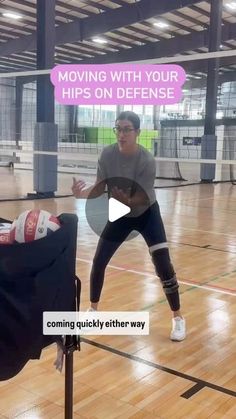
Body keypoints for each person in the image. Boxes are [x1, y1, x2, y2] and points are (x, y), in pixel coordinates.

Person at [72, 111, 186, 341]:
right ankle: (93, 311)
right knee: (99, 261)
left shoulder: (146, 160)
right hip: (121, 212)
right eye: (118, 129)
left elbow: (142, 199)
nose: (121, 134)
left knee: (163, 263)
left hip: (146, 212)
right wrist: (81, 194)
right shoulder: (107, 155)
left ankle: (178, 318)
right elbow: (100, 187)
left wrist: (127, 201)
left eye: (126, 129)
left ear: (137, 133)